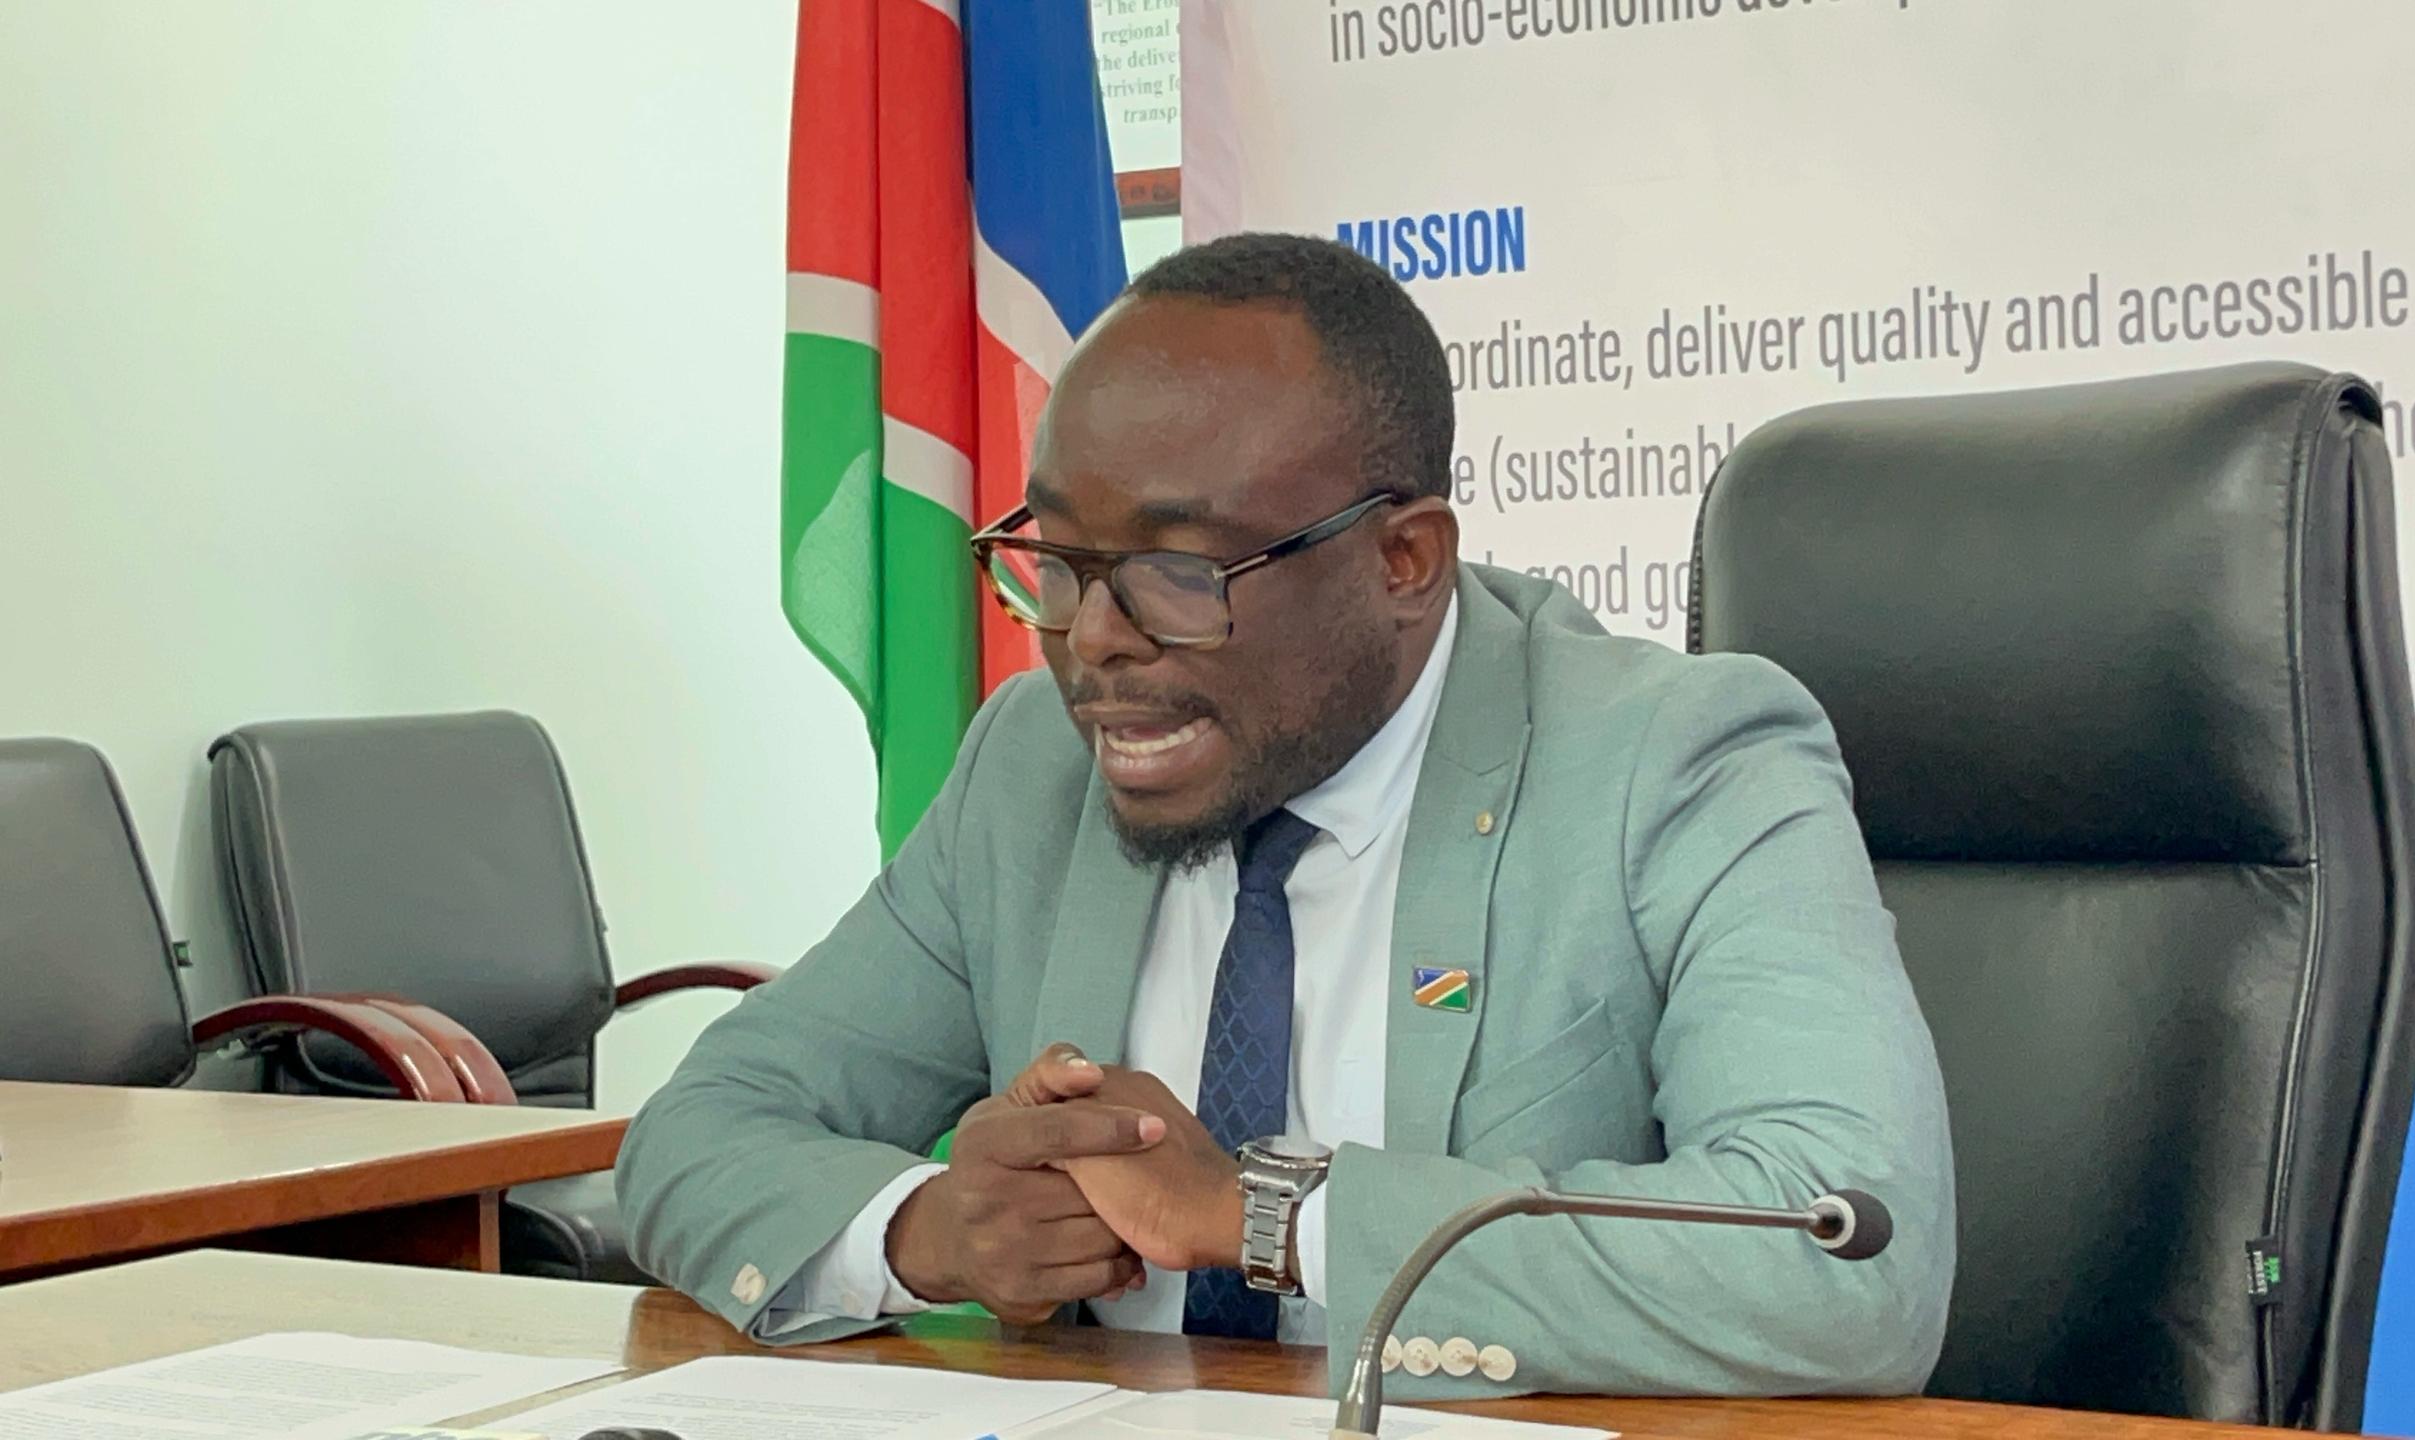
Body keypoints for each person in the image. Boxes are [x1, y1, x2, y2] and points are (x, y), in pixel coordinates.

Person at [617, 233, 1955, 1400]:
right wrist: (933, 1234)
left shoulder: (1676, 763)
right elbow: (701, 1127)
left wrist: (1263, 1216)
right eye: (1059, 561)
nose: (1093, 640)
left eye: (1177, 573)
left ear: (1404, 561)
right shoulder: (1032, 766)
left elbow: (1845, 1253)